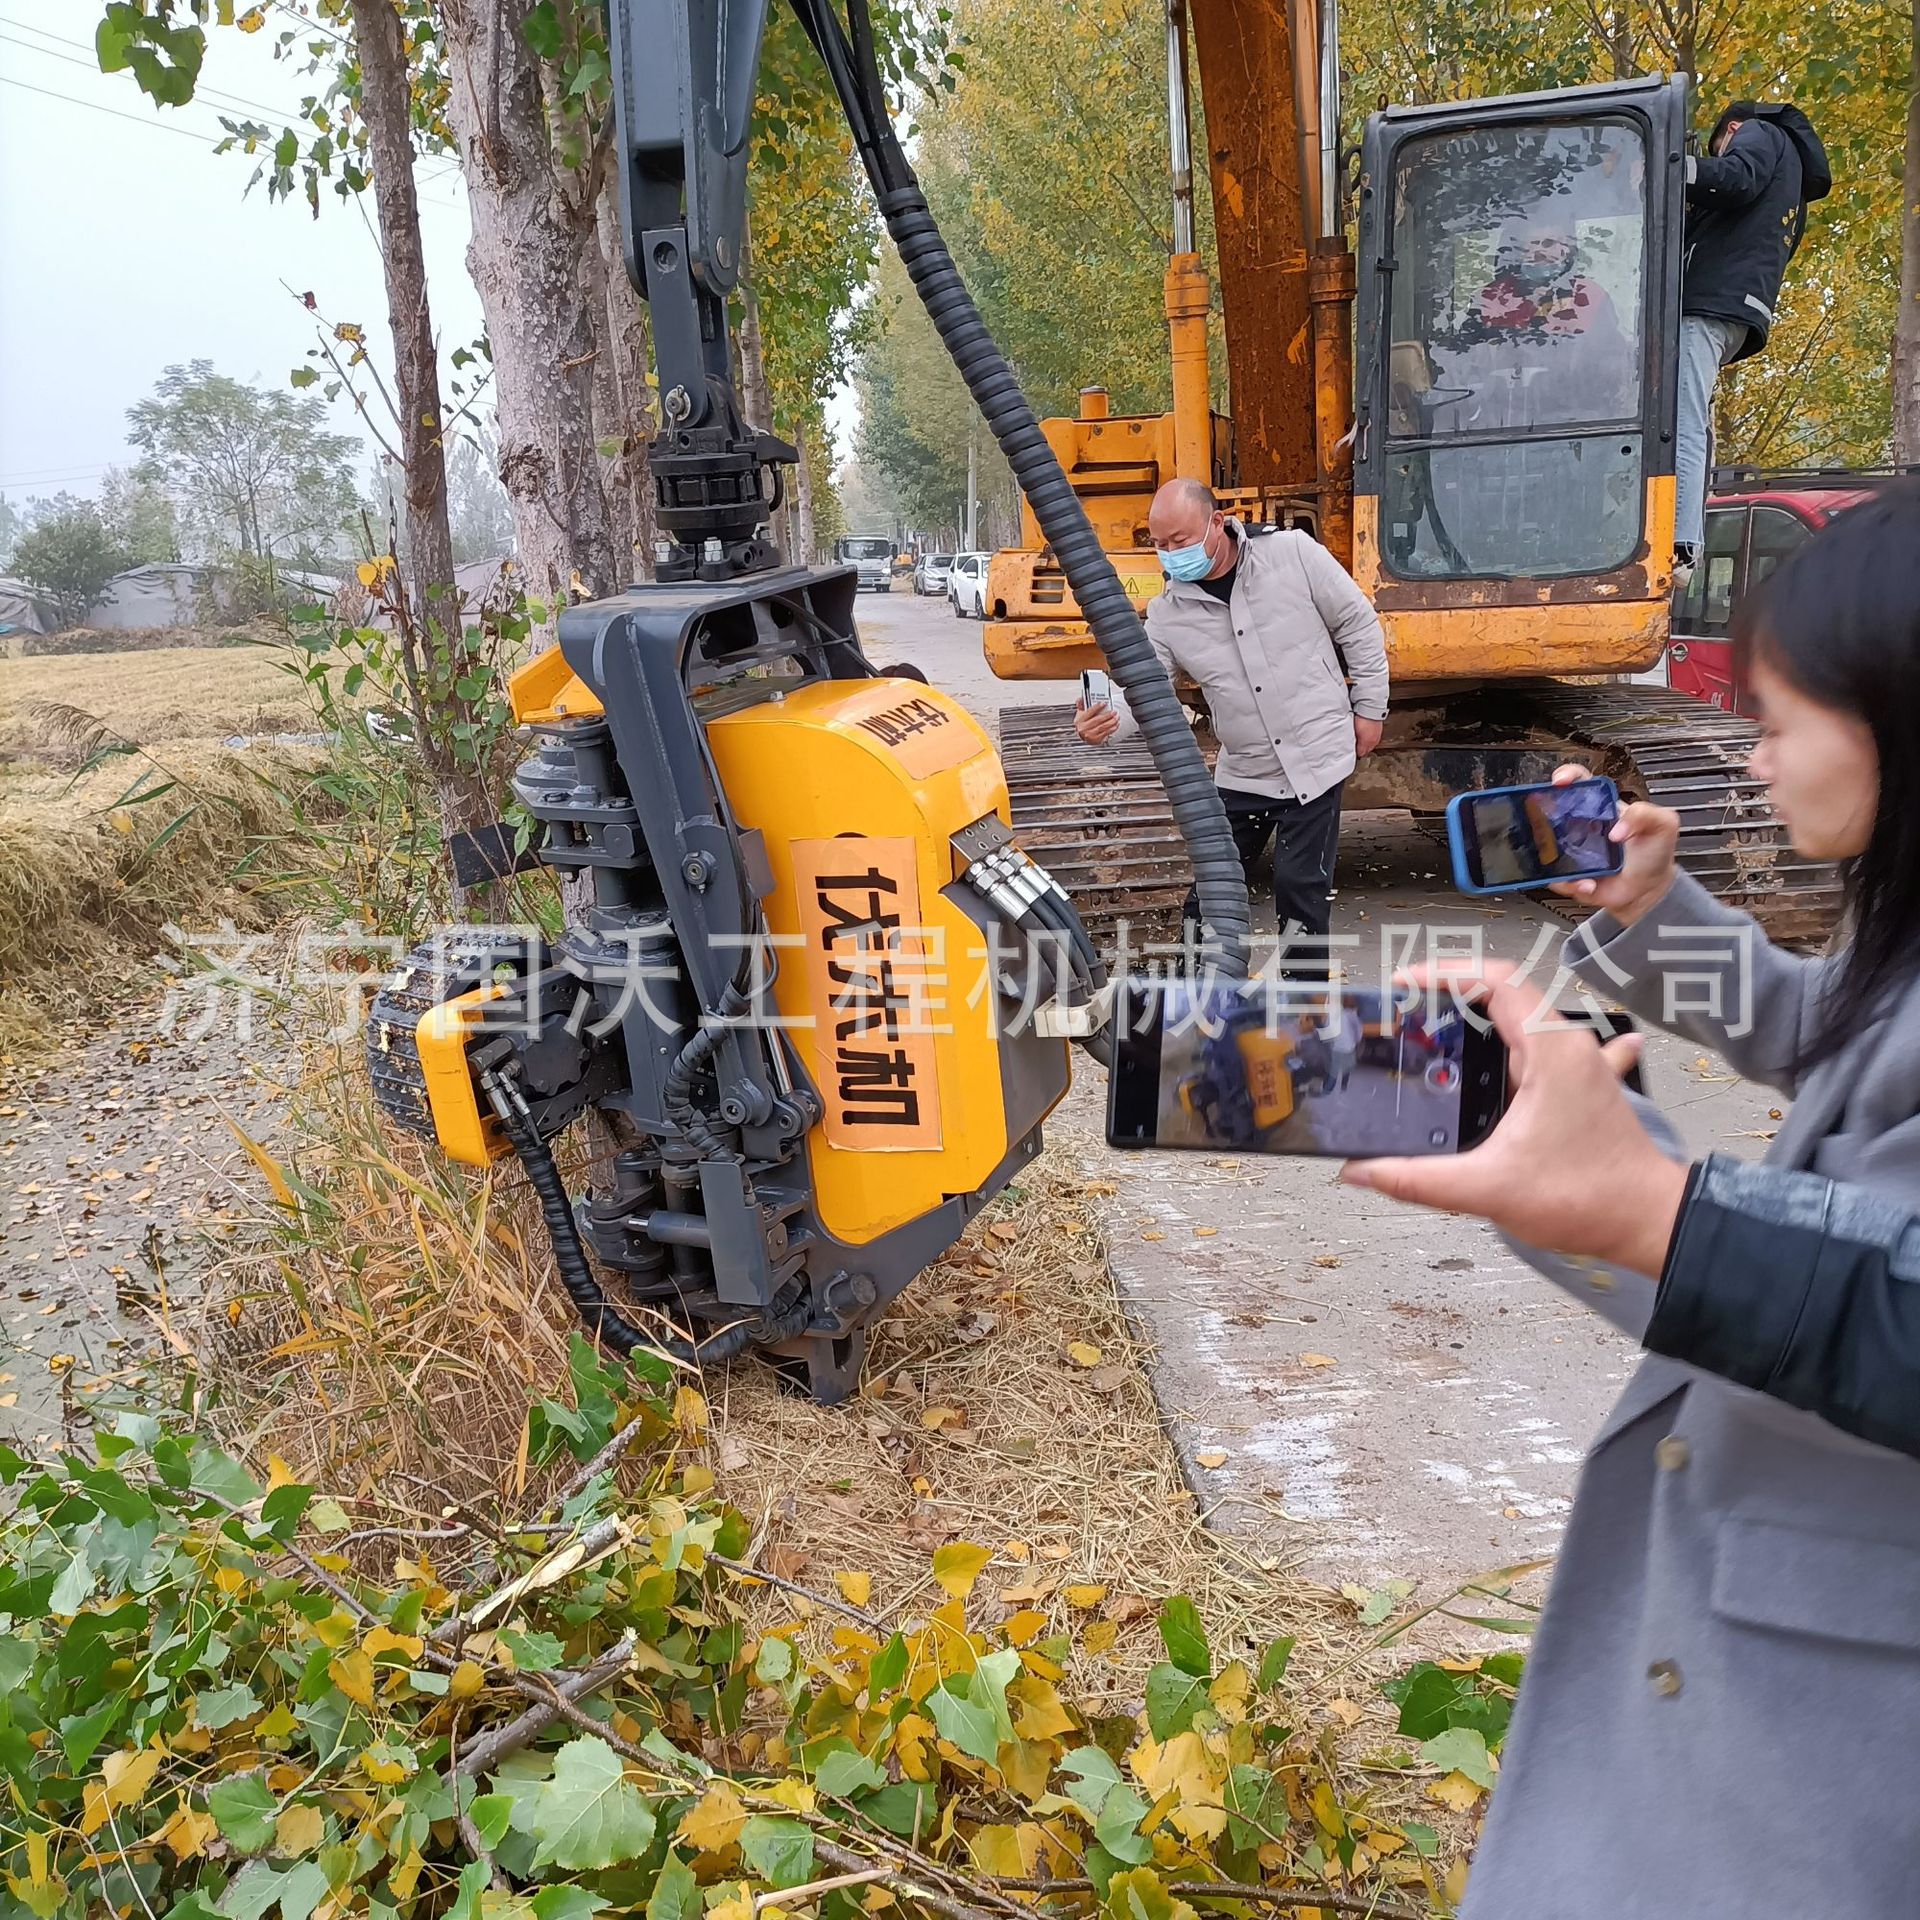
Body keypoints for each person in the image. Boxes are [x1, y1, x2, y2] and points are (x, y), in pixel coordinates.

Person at [1341, 481, 1920, 1918]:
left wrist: (1652, 1207)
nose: (1753, 751)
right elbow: (1830, 1037)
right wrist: (1657, 917)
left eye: (1781, 720)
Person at [1074, 479, 1388, 975]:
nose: (1171, 554)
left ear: (1216, 523)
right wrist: (1105, 720)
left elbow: (1357, 624)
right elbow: (1142, 690)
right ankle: (1194, 1002)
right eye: (1160, 545)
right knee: (1211, 894)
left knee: (1301, 890)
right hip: (1246, 772)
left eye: (1181, 540)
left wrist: (1370, 707)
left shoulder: (1292, 556)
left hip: (1317, 759)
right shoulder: (1168, 616)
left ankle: (1300, 1018)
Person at [1675, 100, 1830, 575]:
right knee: (1694, 416)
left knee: (1680, 416)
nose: (1722, 153)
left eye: (1720, 145)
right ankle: (1687, 535)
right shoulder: (1790, 187)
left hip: (1711, 301)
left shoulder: (1759, 133)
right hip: (1739, 308)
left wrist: (1673, 167)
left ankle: (1679, 541)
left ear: (1732, 128)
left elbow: (1735, 178)